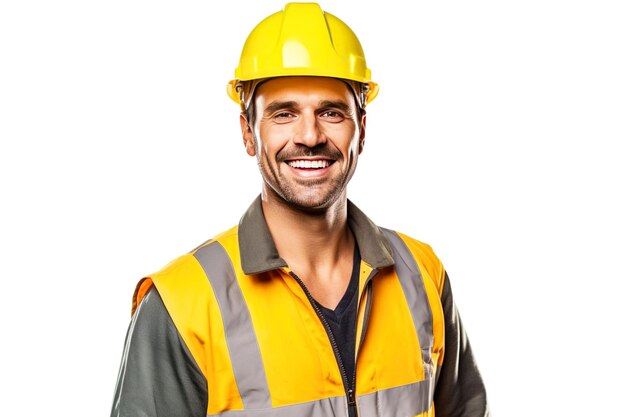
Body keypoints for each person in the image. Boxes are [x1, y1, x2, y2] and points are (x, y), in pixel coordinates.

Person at [110, 3, 489, 417]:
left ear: (361, 130)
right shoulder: (182, 304)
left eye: (330, 112)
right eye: (284, 113)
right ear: (248, 133)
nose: (309, 136)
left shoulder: (421, 274)